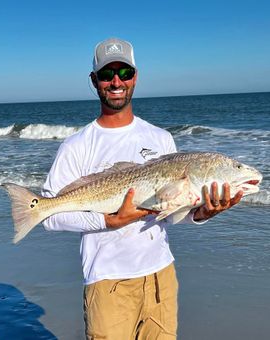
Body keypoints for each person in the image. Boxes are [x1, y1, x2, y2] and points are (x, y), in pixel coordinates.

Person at [41, 38, 243, 340]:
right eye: (107, 74)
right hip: (107, 282)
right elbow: (48, 214)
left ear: (135, 76)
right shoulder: (76, 146)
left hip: (161, 277)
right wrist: (108, 220)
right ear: (94, 80)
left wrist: (203, 213)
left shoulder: (161, 138)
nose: (116, 82)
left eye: (124, 72)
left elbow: (175, 211)